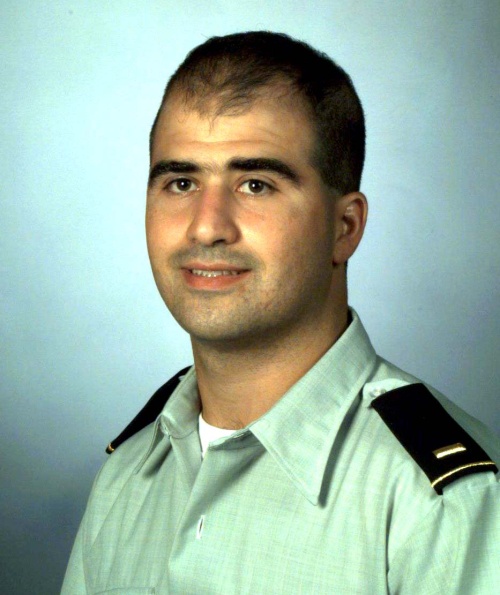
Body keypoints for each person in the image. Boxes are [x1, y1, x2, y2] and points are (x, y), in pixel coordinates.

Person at [62, 31, 500, 594]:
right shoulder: (128, 475)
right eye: (181, 182)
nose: (206, 226)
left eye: (255, 184)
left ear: (344, 228)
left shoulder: (444, 504)